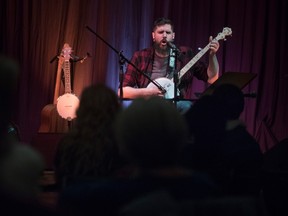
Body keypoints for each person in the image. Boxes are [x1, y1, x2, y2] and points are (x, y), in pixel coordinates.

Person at [118, 17, 220, 113]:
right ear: (153, 36)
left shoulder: (185, 54)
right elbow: (122, 92)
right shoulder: (140, 56)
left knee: (187, 106)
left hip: (176, 108)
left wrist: (212, 55)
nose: (164, 35)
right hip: (148, 107)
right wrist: (149, 92)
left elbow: (212, 78)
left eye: (168, 32)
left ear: (173, 36)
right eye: (160, 32)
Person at [54, 84, 123, 189]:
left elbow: (60, 177)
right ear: (114, 109)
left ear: (81, 109)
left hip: (72, 202)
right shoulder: (121, 144)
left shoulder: (67, 142)